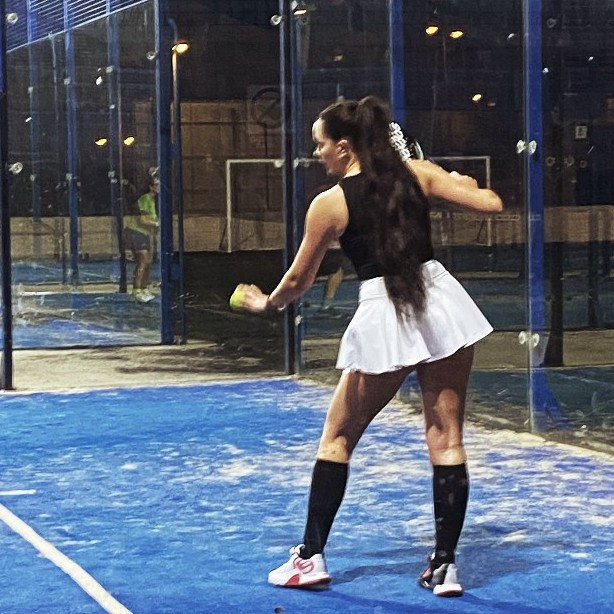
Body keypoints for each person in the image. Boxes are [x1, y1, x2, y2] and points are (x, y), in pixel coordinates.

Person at [235, 96, 503, 596]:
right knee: (446, 440)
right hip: (442, 304)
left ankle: (309, 558)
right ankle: (445, 566)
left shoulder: (330, 204)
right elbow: (491, 204)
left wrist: (266, 303)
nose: (317, 153)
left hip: (386, 313)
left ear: (344, 146)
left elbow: (298, 280)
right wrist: (461, 183)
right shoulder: (419, 174)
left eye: (320, 144)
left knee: (337, 438)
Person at [123, 178, 160, 303]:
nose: (159, 187)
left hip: (145, 234)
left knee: (148, 262)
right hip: (136, 233)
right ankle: (137, 290)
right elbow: (143, 220)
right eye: (156, 185)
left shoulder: (154, 201)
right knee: (142, 262)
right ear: (151, 187)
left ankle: (144, 288)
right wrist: (156, 224)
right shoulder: (145, 199)